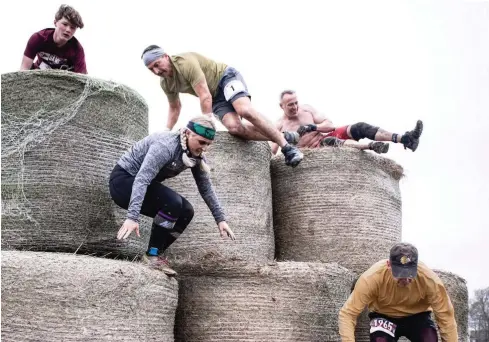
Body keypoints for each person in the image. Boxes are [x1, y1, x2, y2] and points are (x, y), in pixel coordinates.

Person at [109, 115, 235, 276]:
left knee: (187, 211)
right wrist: (132, 217)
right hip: (123, 182)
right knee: (173, 203)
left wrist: (220, 219)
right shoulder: (165, 146)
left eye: (208, 144)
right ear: (188, 133)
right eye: (202, 142)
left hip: (142, 184)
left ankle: (154, 253)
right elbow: (142, 179)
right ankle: (152, 256)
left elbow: (206, 189)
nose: (204, 148)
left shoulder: (195, 155)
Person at [140, 46, 303, 167]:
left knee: (244, 110)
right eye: (151, 69)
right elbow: (175, 107)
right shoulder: (166, 83)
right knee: (235, 128)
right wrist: (166, 131)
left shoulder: (185, 63)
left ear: (166, 56)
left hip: (225, 78)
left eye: (157, 63)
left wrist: (207, 125)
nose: (156, 70)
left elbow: (204, 95)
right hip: (217, 98)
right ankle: (283, 135)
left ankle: (287, 148)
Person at [338, 242, 458, 342]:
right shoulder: (371, 278)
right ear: (389, 265)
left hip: (418, 317)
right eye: (400, 274)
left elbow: (446, 317)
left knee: (428, 339)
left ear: (416, 267)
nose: (406, 279)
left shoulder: (430, 280)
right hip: (384, 316)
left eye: (410, 274)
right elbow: (348, 314)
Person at [271, 90, 423, 155]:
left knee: (359, 127)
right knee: (331, 141)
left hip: (324, 137)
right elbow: (271, 151)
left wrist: (313, 126)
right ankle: (371, 147)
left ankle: (406, 139)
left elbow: (329, 125)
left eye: (296, 102)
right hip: (311, 151)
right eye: (290, 104)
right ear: (281, 106)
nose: (295, 107)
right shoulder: (279, 126)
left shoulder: (307, 110)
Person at [20, 5, 87, 74]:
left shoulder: (77, 49)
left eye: (72, 27)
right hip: (38, 76)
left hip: (62, 81)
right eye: (65, 24)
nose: (68, 30)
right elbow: (24, 68)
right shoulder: (38, 38)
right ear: (55, 23)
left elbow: (83, 78)